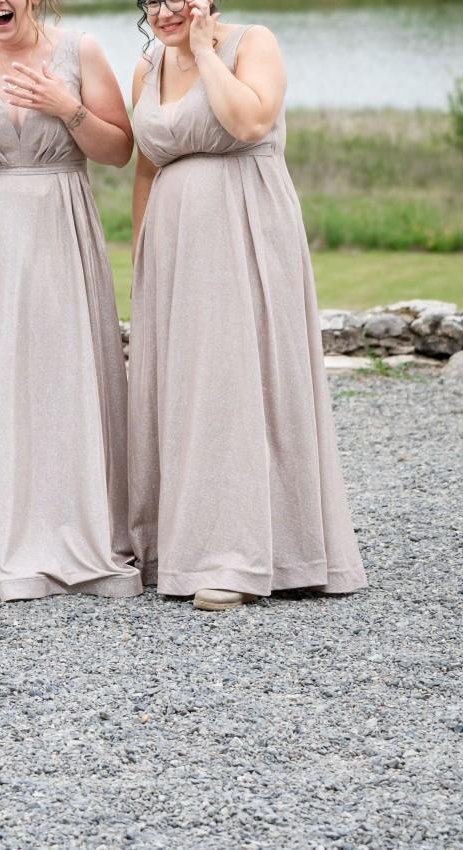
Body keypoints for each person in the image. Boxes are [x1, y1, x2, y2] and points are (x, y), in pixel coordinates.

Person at [128, 0, 367, 610]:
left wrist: (205, 53)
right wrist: (142, 257)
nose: (165, 8)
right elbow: (145, 171)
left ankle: (243, 555)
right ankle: (176, 547)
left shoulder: (252, 42)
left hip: (245, 227)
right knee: (184, 388)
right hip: (175, 245)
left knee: (237, 385)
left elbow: (250, 123)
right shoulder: (145, 67)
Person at [0, 0, 140, 601]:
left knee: (57, 376)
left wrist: (67, 109)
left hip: (58, 226)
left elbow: (118, 150)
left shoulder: (80, 51)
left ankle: (65, 525)